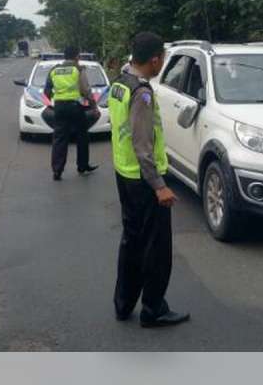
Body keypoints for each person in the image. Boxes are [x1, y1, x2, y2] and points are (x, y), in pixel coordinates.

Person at [109, 32, 190, 328]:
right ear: (155, 60)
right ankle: (153, 309)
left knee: (131, 242)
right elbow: (143, 145)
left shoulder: (120, 83)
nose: (163, 64)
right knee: (156, 248)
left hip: (125, 174)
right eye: (163, 59)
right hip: (144, 181)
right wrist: (160, 186)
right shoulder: (142, 92)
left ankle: (123, 304)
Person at [43, 45, 98, 181]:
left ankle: (57, 171)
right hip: (75, 107)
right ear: (77, 56)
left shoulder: (54, 70)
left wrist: (54, 99)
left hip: (59, 107)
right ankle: (82, 166)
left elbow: (47, 91)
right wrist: (94, 107)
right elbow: (86, 90)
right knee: (82, 136)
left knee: (59, 139)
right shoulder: (78, 69)